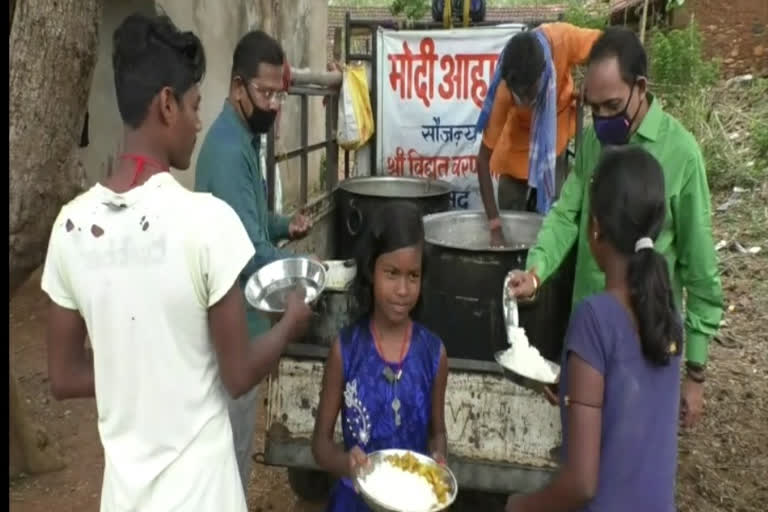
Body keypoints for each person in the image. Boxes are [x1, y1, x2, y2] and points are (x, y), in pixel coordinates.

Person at [40, 13, 311, 511]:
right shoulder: (207, 223)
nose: (199, 121)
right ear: (166, 104)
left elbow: (63, 376)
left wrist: (133, 369)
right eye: (193, 106)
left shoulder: (70, 229)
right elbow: (238, 372)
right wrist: (290, 323)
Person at [508, 27, 723, 428]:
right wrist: (536, 272)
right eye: (594, 109)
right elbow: (567, 214)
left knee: (629, 452)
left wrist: (695, 371)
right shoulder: (593, 143)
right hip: (589, 332)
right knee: (583, 444)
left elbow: (701, 267)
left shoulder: (681, 154)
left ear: (640, 87)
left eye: (612, 106)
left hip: (646, 342)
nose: (603, 120)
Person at [506, 146, 682, 512]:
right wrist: (571, 382)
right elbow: (633, 399)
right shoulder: (667, 311)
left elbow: (582, 485)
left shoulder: (594, 317)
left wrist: (519, 506)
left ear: (596, 228)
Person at [194, 30, 313, 491]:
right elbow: (246, 249)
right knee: (232, 453)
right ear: (238, 87)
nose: (274, 105)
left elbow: (246, 216)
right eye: (265, 93)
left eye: (278, 95)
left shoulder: (243, 138)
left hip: (244, 321)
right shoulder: (226, 151)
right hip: (236, 327)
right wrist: (305, 276)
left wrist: (284, 226)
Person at [311, 201, 449, 512]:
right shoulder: (345, 351)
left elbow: (437, 432)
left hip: (413, 503)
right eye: (392, 273)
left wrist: (439, 458)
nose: (403, 289)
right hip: (354, 502)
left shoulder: (433, 354)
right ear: (372, 271)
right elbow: (320, 446)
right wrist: (347, 463)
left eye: (413, 276)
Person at [476, 23, 602, 246]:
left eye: (529, 94)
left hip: (554, 147)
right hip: (515, 155)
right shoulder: (505, 91)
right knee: (511, 226)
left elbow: (606, 46)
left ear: (544, 74)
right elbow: (483, 159)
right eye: (519, 96)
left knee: (555, 224)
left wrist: (592, 83)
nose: (524, 101)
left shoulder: (563, 40)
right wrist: (495, 225)